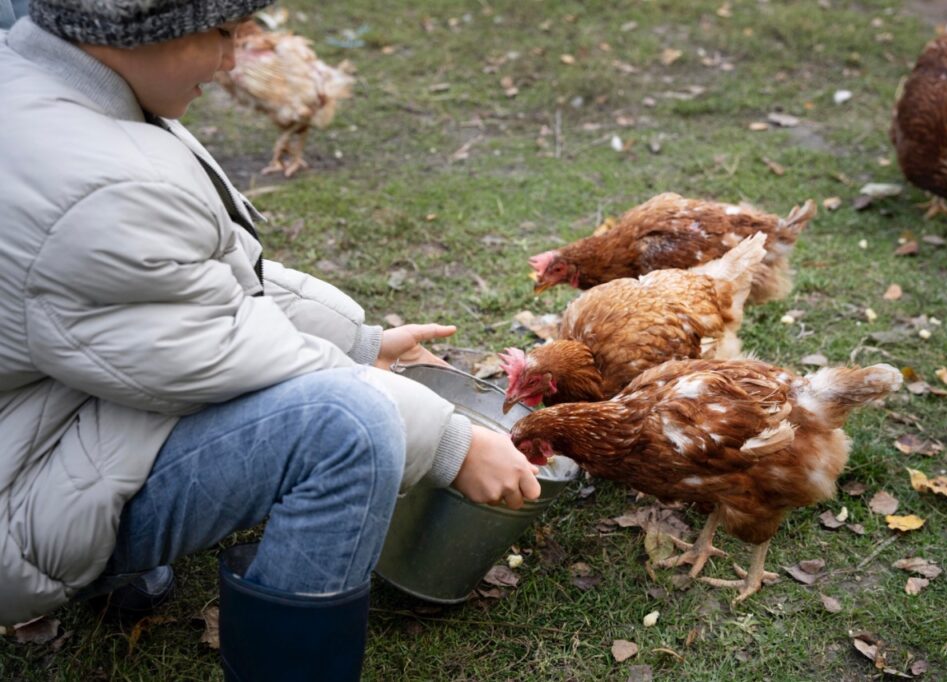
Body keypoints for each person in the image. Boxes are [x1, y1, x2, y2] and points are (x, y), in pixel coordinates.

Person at [0, 2, 541, 680]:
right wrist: (452, 441)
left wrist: (357, 339)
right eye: (222, 34)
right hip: (16, 496)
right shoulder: (87, 179)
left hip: (40, 413)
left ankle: (120, 571)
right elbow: (213, 345)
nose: (231, 59)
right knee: (347, 426)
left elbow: (190, 272)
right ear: (144, 30)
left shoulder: (53, 91)